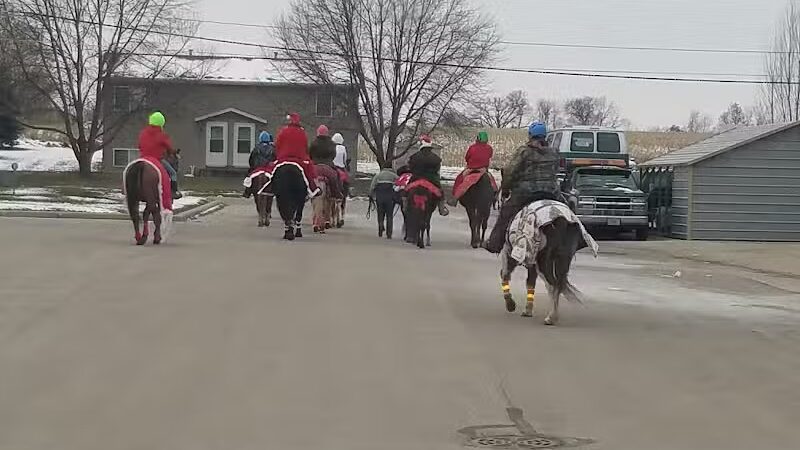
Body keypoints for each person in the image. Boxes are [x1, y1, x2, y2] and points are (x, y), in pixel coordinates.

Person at [483, 121, 560, 254]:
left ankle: (494, 244)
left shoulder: (524, 151)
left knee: (505, 214)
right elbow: (555, 171)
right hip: (551, 193)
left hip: (526, 193)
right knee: (566, 212)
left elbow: (510, 171)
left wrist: (506, 190)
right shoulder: (554, 152)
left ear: (530, 135)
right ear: (544, 136)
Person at [138, 111, 181, 200]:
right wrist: (173, 152)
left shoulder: (143, 132)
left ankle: (125, 187)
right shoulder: (162, 135)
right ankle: (173, 192)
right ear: (161, 123)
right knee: (173, 173)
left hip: (143, 158)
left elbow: (139, 145)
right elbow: (169, 147)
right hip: (156, 159)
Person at [274, 112, 318, 194]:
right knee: (309, 172)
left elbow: (277, 145)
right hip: (299, 159)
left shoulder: (283, 131)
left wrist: (278, 155)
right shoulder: (302, 133)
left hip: (283, 159)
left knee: (271, 171)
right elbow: (305, 147)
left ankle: (269, 187)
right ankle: (313, 189)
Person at [450, 130, 497, 205]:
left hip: (471, 169)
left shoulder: (472, 147)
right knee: (492, 180)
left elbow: (467, 157)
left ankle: (455, 198)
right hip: (483, 170)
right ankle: (495, 195)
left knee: (459, 179)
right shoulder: (489, 148)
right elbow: (490, 156)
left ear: (478, 138)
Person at [408, 135, 448, 216]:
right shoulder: (436, 158)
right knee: (440, 193)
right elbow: (437, 169)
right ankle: (442, 208)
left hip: (416, 177)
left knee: (406, 190)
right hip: (432, 179)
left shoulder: (414, 157)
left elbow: (411, 168)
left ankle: (405, 205)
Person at [242, 131, 276, 198]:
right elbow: (275, 159)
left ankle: (247, 192)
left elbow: (251, 159)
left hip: (258, 168)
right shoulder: (273, 148)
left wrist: (252, 166)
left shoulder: (256, 148)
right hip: (269, 169)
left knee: (249, 177)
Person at [370, 166, 399, 239]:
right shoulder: (393, 175)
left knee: (380, 214)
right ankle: (389, 234)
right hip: (390, 198)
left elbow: (372, 186)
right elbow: (400, 183)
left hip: (380, 197)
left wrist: (371, 194)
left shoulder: (378, 175)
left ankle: (380, 227)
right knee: (389, 216)